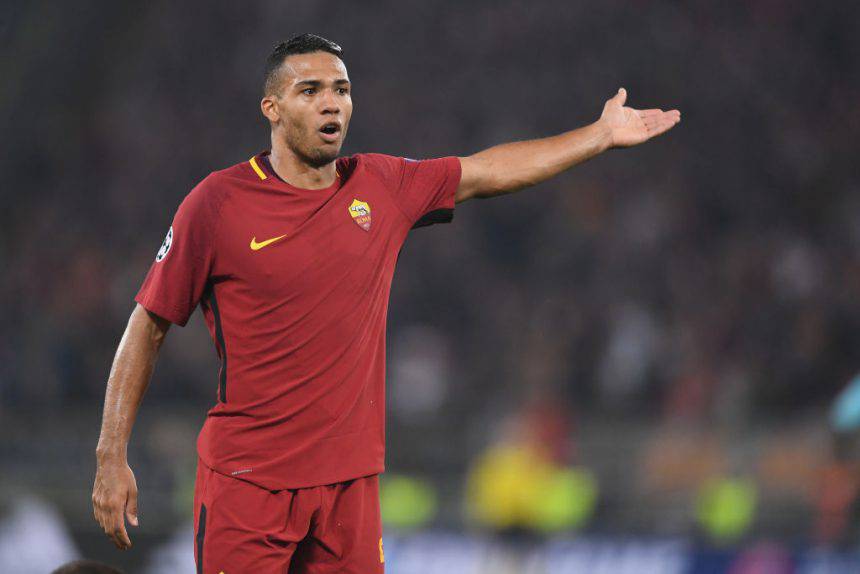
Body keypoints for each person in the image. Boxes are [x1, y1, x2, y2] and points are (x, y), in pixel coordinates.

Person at [92, 33, 680, 573]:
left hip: (350, 489)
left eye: (342, 90)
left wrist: (599, 135)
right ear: (272, 108)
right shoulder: (217, 203)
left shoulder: (379, 185)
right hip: (249, 484)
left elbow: (486, 171)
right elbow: (148, 324)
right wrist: (110, 456)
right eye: (310, 91)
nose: (331, 104)